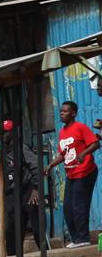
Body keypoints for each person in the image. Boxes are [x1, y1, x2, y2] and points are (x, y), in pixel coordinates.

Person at [46, 101, 99, 248]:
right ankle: (76, 239)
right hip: (72, 174)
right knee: (68, 206)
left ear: (73, 113)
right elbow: (64, 154)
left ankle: (83, 238)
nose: (62, 113)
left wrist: (84, 153)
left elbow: (95, 143)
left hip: (85, 172)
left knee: (79, 205)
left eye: (65, 111)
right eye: (61, 111)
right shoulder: (62, 132)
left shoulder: (80, 127)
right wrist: (51, 165)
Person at [0, 120, 41, 256]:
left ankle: (46, 255)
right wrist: (0, 194)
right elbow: (5, 175)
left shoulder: (21, 148)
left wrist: (36, 189)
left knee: (37, 228)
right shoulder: (2, 151)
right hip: (11, 194)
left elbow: (36, 166)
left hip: (27, 191)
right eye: (1, 132)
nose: (3, 135)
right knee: (11, 229)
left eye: (6, 132)